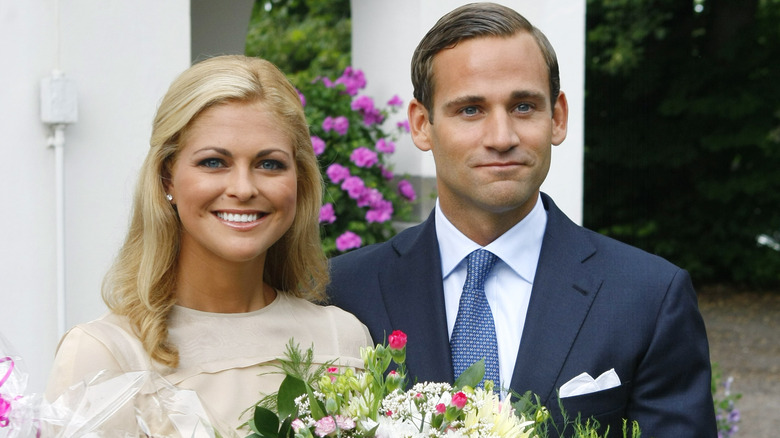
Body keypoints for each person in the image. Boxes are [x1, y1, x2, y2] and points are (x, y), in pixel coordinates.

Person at [327, 3, 716, 436]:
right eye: (470, 110)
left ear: (558, 116)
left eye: (524, 106)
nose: (501, 138)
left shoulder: (648, 297)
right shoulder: (344, 291)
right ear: (422, 125)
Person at [46, 55, 372, 435]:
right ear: (167, 178)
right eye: (214, 162)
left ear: (299, 182)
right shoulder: (104, 354)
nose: (243, 188)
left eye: (269, 164)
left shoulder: (343, 338)